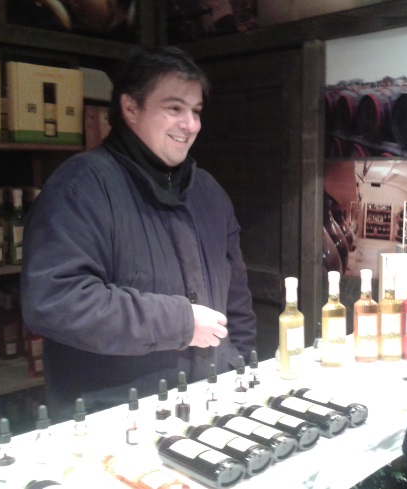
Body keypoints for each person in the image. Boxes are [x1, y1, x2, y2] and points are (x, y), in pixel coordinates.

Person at [21, 46, 257, 421]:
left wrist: (238, 371)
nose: (190, 124)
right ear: (131, 108)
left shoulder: (209, 193)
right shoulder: (80, 186)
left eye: (196, 111)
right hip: (114, 415)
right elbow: (55, 299)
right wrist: (179, 323)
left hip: (209, 401)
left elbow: (237, 305)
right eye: (174, 108)